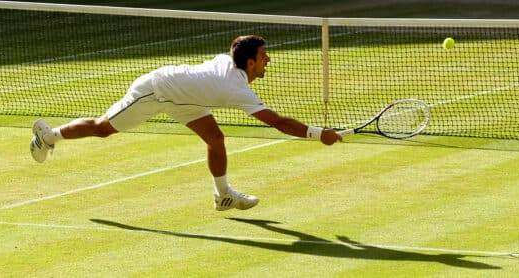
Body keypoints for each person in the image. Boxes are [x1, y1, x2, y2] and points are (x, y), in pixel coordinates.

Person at [29, 35, 344, 211]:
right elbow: (278, 122)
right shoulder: (235, 88)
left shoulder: (231, 64)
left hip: (185, 99)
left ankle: (223, 195)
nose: (268, 61)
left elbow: (236, 45)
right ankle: (49, 135)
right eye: (264, 56)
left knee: (215, 139)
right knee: (103, 129)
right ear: (250, 63)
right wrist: (319, 135)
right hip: (156, 91)